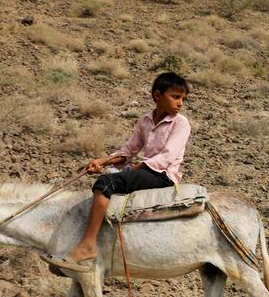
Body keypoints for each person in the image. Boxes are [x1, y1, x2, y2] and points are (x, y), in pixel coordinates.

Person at [42, 71, 192, 271]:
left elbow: (167, 157)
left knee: (106, 183)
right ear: (158, 96)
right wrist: (102, 161)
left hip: (163, 176)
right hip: (145, 170)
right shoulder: (146, 120)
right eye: (176, 97)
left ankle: (87, 246)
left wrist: (133, 168)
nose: (180, 103)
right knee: (106, 182)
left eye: (183, 98)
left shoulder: (181, 123)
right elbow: (128, 151)